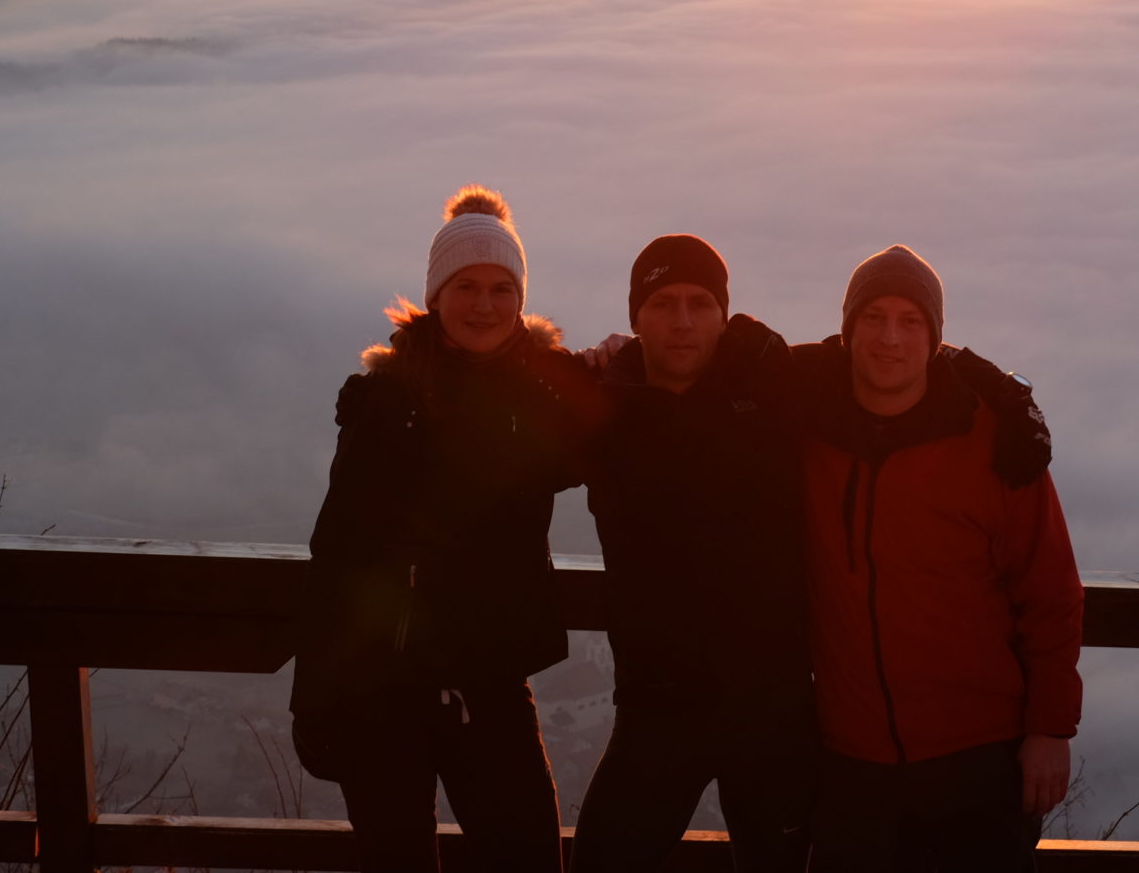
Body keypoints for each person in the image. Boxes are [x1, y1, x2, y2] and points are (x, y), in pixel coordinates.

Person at [290, 186, 595, 873]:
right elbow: (337, 553)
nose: (484, 305)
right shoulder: (387, 403)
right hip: (381, 692)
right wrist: (314, 699)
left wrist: (616, 361)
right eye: (466, 286)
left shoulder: (542, 392)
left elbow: (621, 430)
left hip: (490, 682)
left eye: (500, 288)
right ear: (436, 294)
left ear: (520, 299)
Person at [798, 244, 1082, 872]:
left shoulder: (995, 443)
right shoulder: (810, 425)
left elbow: (1051, 591)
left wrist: (1050, 729)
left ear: (934, 336)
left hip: (979, 760)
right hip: (853, 762)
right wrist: (616, 355)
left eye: (911, 321)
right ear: (847, 331)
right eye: (872, 318)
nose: (890, 338)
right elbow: (723, 366)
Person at [572, 234, 814, 873]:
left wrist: (1006, 391)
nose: (682, 322)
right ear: (635, 318)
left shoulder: (773, 390)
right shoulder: (603, 408)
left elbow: (891, 354)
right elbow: (497, 406)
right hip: (657, 708)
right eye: (662, 303)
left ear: (723, 315)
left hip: (773, 711)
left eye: (701, 303)